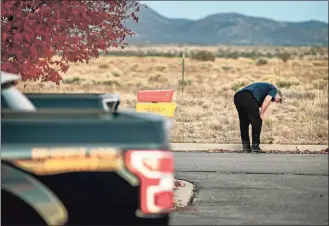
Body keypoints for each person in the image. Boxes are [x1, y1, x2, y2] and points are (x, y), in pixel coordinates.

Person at [233, 82, 283, 153]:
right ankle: (255, 147)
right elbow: (267, 100)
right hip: (248, 96)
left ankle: (246, 147)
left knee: (244, 122)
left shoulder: (263, 90)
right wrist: (262, 113)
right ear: (277, 94)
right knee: (257, 121)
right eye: (278, 100)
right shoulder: (273, 89)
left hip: (237, 97)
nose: (275, 101)